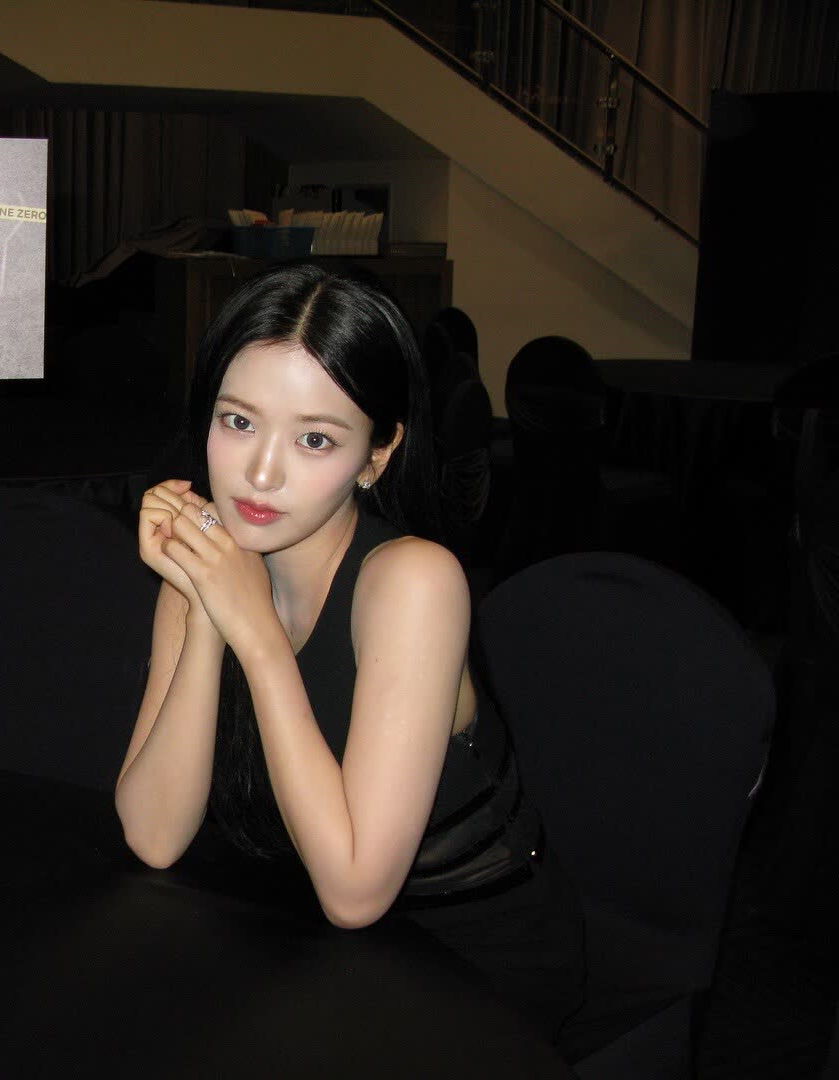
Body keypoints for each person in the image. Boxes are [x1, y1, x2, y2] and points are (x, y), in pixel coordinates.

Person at [115, 263, 584, 1042]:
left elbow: (356, 892)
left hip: (471, 965)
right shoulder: (210, 566)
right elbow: (154, 834)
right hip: (311, 946)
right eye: (238, 422)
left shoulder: (413, 583)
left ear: (376, 454)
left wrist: (255, 633)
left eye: (315, 439)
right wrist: (206, 610)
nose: (261, 472)